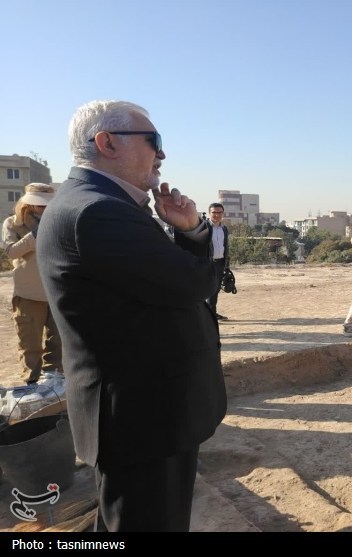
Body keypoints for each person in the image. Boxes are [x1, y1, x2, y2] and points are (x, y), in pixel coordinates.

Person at [36, 100, 227, 532]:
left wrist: (189, 230)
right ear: (106, 143)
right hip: (143, 417)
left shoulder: (100, 204)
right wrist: (194, 230)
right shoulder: (98, 211)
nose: (162, 155)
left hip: (142, 412)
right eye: (154, 142)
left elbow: (169, 286)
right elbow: (194, 284)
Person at [2, 183, 63, 385]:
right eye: (40, 205)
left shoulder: (58, 222)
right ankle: (32, 385)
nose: (45, 209)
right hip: (28, 294)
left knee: (59, 342)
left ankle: (55, 382)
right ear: (28, 204)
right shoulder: (12, 224)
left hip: (57, 292)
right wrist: (35, 235)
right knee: (30, 344)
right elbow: (11, 252)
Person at [205, 202, 230, 320]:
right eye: (214, 212)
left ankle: (212, 312)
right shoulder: (204, 227)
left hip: (220, 263)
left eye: (220, 212)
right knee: (208, 290)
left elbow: (226, 247)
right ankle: (209, 316)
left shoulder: (224, 228)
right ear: (210, 213)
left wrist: (226, 265)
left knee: (215, 290)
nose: (217, 215)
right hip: (207, 264)